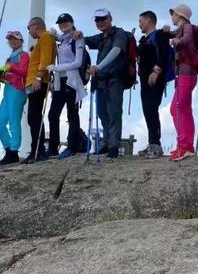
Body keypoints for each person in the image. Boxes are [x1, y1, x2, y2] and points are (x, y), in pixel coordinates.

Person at [75, 9, 128, 159]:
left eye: (103, 19)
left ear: (110, 18)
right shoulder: (100, 37)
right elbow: (83, 40)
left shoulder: (119, 34)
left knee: (114, 112)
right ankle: (106, 143)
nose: (100, 22)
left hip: (114, 79)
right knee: (102, 113)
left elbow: (116, 50)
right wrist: (77, 34)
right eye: (97, 20)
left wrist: (98, 67)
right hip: (100, 81)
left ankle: (113, 146)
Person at [46, 13, 88, 159]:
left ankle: (72, 147)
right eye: (60, 22)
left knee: (72, 114)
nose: (63, 24)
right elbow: (59, 36)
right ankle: (53, 148)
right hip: (61, 80)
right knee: (53, 114)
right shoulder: (63, 39)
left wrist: (56, 68)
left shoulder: (78, 38)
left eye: (66, 22)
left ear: (72, 22)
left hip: (72, 81)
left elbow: (77, 63)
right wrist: (53, 33)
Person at [137, 10, 172, 159]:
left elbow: (163, 54)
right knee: (147, 110)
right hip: (145, 80)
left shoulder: (159, 35)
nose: (139, 24)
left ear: (149, 20)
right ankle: (152, 143)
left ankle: (156, 145)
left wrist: (156, 71)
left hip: (155, 78)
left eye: (141, 21)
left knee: (151, 109)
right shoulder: (144, 39)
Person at [22, 17, 56, 163]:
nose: (28, 31)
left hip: (38, 82)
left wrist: (38, 77)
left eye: (28, 28)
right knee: (33, 117)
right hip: (34, 82)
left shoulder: (46, 37)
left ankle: (38, 150)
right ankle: (36, 150)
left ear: (36, 26)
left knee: (34, 117)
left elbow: (45, 59)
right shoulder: (42, 40)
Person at [0, 30, 30, 165]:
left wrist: (9, 67)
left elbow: (23, 72)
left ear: (21, 41)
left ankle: (14, 151)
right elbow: (10, 74)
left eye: (15, 39)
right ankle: (9, 149)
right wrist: (1, 76)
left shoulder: (24, 55)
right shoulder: (10, 58)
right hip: (8, 90)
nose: (12, 41)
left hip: (18, 90)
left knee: (14, 121)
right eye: (10, 39)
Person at [168, 4, 197, 161]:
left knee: (176, 108)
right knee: (185, 109)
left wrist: (177, 41)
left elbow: (187, 38)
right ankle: (187, 146)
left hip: (186, 74)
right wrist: (170, 34)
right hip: (185, 74)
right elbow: (175, 34)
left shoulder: (187, 27)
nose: (171, 16)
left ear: (180, 15)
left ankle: (184, 146)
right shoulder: (180, 29)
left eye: (173, 13)